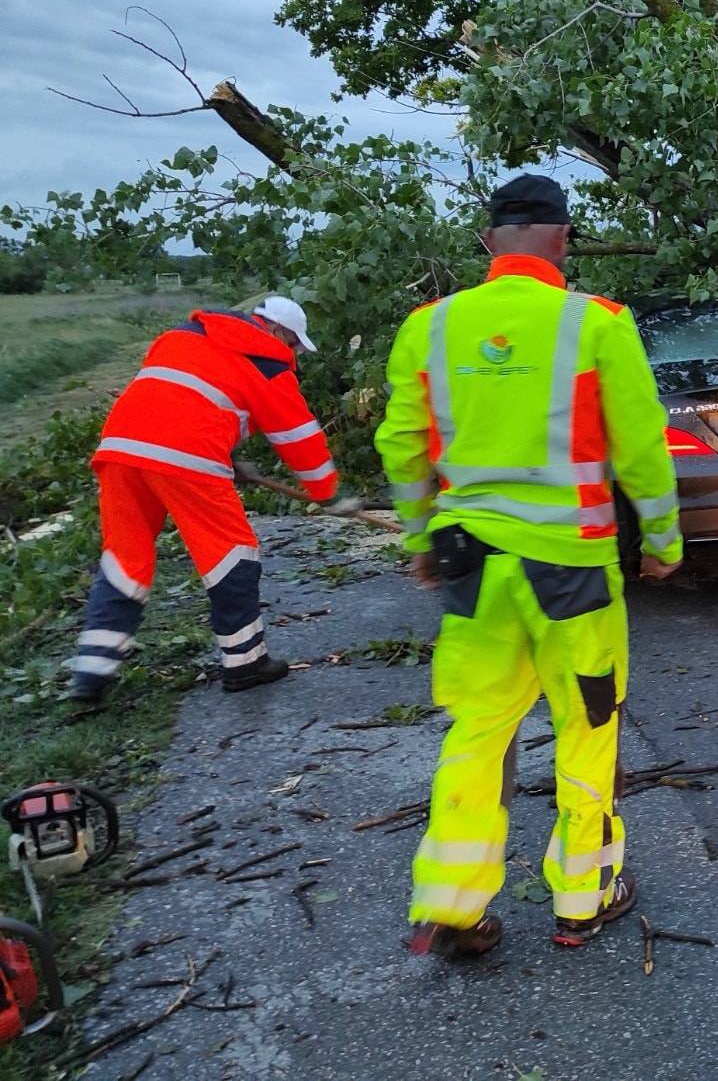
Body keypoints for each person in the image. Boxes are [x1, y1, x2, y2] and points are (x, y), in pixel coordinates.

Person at [376, 173, 683, 956]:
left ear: (488, 241)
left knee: (477, 730)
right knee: (586, 725)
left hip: (472, 570)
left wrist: (419, 539)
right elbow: (641, 445)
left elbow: (403, 447)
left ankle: (449, 902)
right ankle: (583, 897)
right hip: (571, 571)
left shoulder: (429, 328)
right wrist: (662, 541)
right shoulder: (596, 323)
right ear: (563, 238)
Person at [69, 295, 357, 703]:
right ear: (275, 331)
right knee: (232, 555)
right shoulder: (267, 362)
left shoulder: (182, 336)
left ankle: (91, 673)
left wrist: (233, 457)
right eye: (293, 343)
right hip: (187, 456)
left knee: (124, 557)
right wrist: (328, 495)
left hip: (120, 447)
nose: (293, 354)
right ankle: (245, 663)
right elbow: (298, 438)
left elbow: (188, 398)